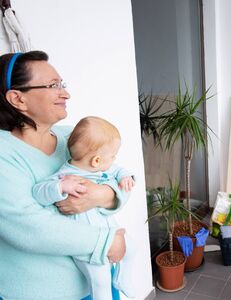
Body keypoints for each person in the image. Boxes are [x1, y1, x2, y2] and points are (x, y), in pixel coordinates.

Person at [0, 51, 128, 300]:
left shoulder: (71, 137)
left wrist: (102, 194)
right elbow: (29, 227)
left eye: (62, 84)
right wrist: (106, 241)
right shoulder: (4, 152)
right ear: (18, 99)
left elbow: (116, 178)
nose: (66, 93)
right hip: (41, 293)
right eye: (53, 86)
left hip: (93, 282)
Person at [33, 116, 137, 299]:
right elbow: (39, 192)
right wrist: (60, 188)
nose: (114, 160)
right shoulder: (65, 176)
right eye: (112, 155)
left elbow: (117, 169)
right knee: (101, 280)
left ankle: (122, 280)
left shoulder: (99, 168)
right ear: (96, 160)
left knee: (132, 248)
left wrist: (125, 176)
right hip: (87, 242)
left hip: (109, 231)